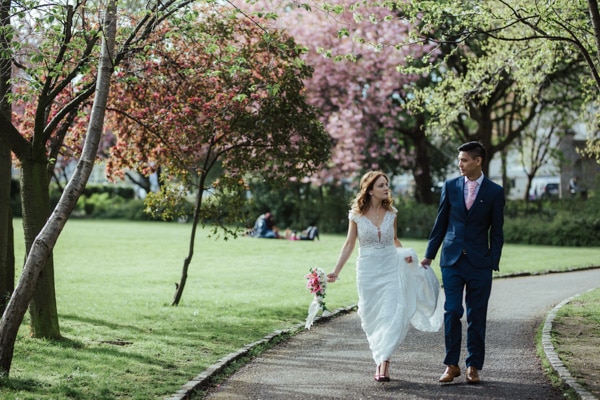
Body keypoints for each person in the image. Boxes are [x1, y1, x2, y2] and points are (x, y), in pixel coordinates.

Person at [327, 171, 442, 382]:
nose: (386, 188)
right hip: (368, 271)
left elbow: (395, 239)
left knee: (391, 314)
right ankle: (379, 355)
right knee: (371, 317)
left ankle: (384, 362)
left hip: (391, 268)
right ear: (370, 190)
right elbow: (349, 244)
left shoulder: (392, 213)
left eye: (386, 184)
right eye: (381, 185)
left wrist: (405, 255)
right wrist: (336, 271)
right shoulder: (356, 215)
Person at [420, 141, 504, 385]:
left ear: (478, 161)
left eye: (464, 160)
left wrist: (492, 260)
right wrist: (430, 254)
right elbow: (441, 223)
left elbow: (497, 231)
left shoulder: (494, 192)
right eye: (459, 160)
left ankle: (473, 366)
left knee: (477, 315)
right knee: (452, 311)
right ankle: (451, 364)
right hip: (452, 260)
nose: (460, 164)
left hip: (480, 263)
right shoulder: (450, 186)